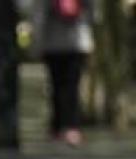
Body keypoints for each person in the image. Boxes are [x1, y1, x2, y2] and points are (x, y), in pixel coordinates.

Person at [35, 0, 94, 146]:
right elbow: (93, 12)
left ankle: (58, 127)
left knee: (57, 86)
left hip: (53, 43)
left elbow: (39, 15)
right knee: (71, 86)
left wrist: (37, 44)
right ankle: (71, 128)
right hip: (77, 42)